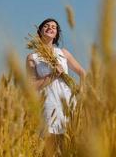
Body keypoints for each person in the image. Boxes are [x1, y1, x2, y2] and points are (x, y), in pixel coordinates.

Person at [26, 18, 86, 155]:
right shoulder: (32, 57)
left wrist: (81, 93)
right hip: (48, 106)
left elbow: (83, 73)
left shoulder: (63, 53)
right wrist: (52, 75)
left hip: (68, 104)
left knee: (69, 145)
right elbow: (32, 86)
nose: (50, 28)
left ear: (57, 33)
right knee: (50, 148)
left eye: (54, 27)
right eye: (46, 26)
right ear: (40, 31)